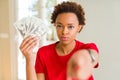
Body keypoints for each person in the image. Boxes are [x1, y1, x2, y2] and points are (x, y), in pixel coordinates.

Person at [20, 1, 99, 80]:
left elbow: (93, 56)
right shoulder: (43, 53)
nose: (64, 32)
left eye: (70, 27)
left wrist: (83, 56)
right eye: (59, 26)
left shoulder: (87, 47)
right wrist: (29, 60)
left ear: (79, 27)